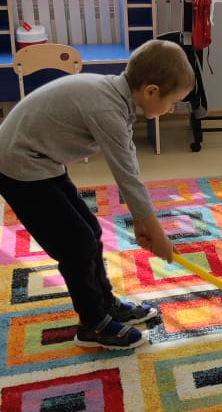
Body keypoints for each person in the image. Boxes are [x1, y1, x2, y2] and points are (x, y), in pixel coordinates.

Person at [0, 39, 194, 349]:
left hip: (43, 161)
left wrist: (141, 222)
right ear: (151, 91)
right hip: (19, 166)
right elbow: (127, 175)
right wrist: (158, 235)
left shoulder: (115, 97)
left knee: (90, 231)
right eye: (173, 103)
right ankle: (92, 324)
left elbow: (128, 160)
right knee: (76, 245)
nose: (171, 110)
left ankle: (104, 303)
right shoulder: (107, 108)